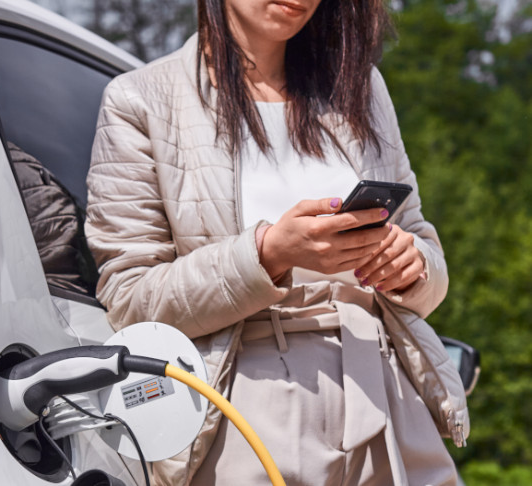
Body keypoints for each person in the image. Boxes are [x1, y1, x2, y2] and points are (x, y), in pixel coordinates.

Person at [85, 0, 469, 484]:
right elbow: (129, 300)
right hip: (248, 401)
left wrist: (410, 265)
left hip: (387, 392)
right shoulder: (142, 99)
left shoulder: (361, 87)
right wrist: (267, 254)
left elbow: (427, 264)